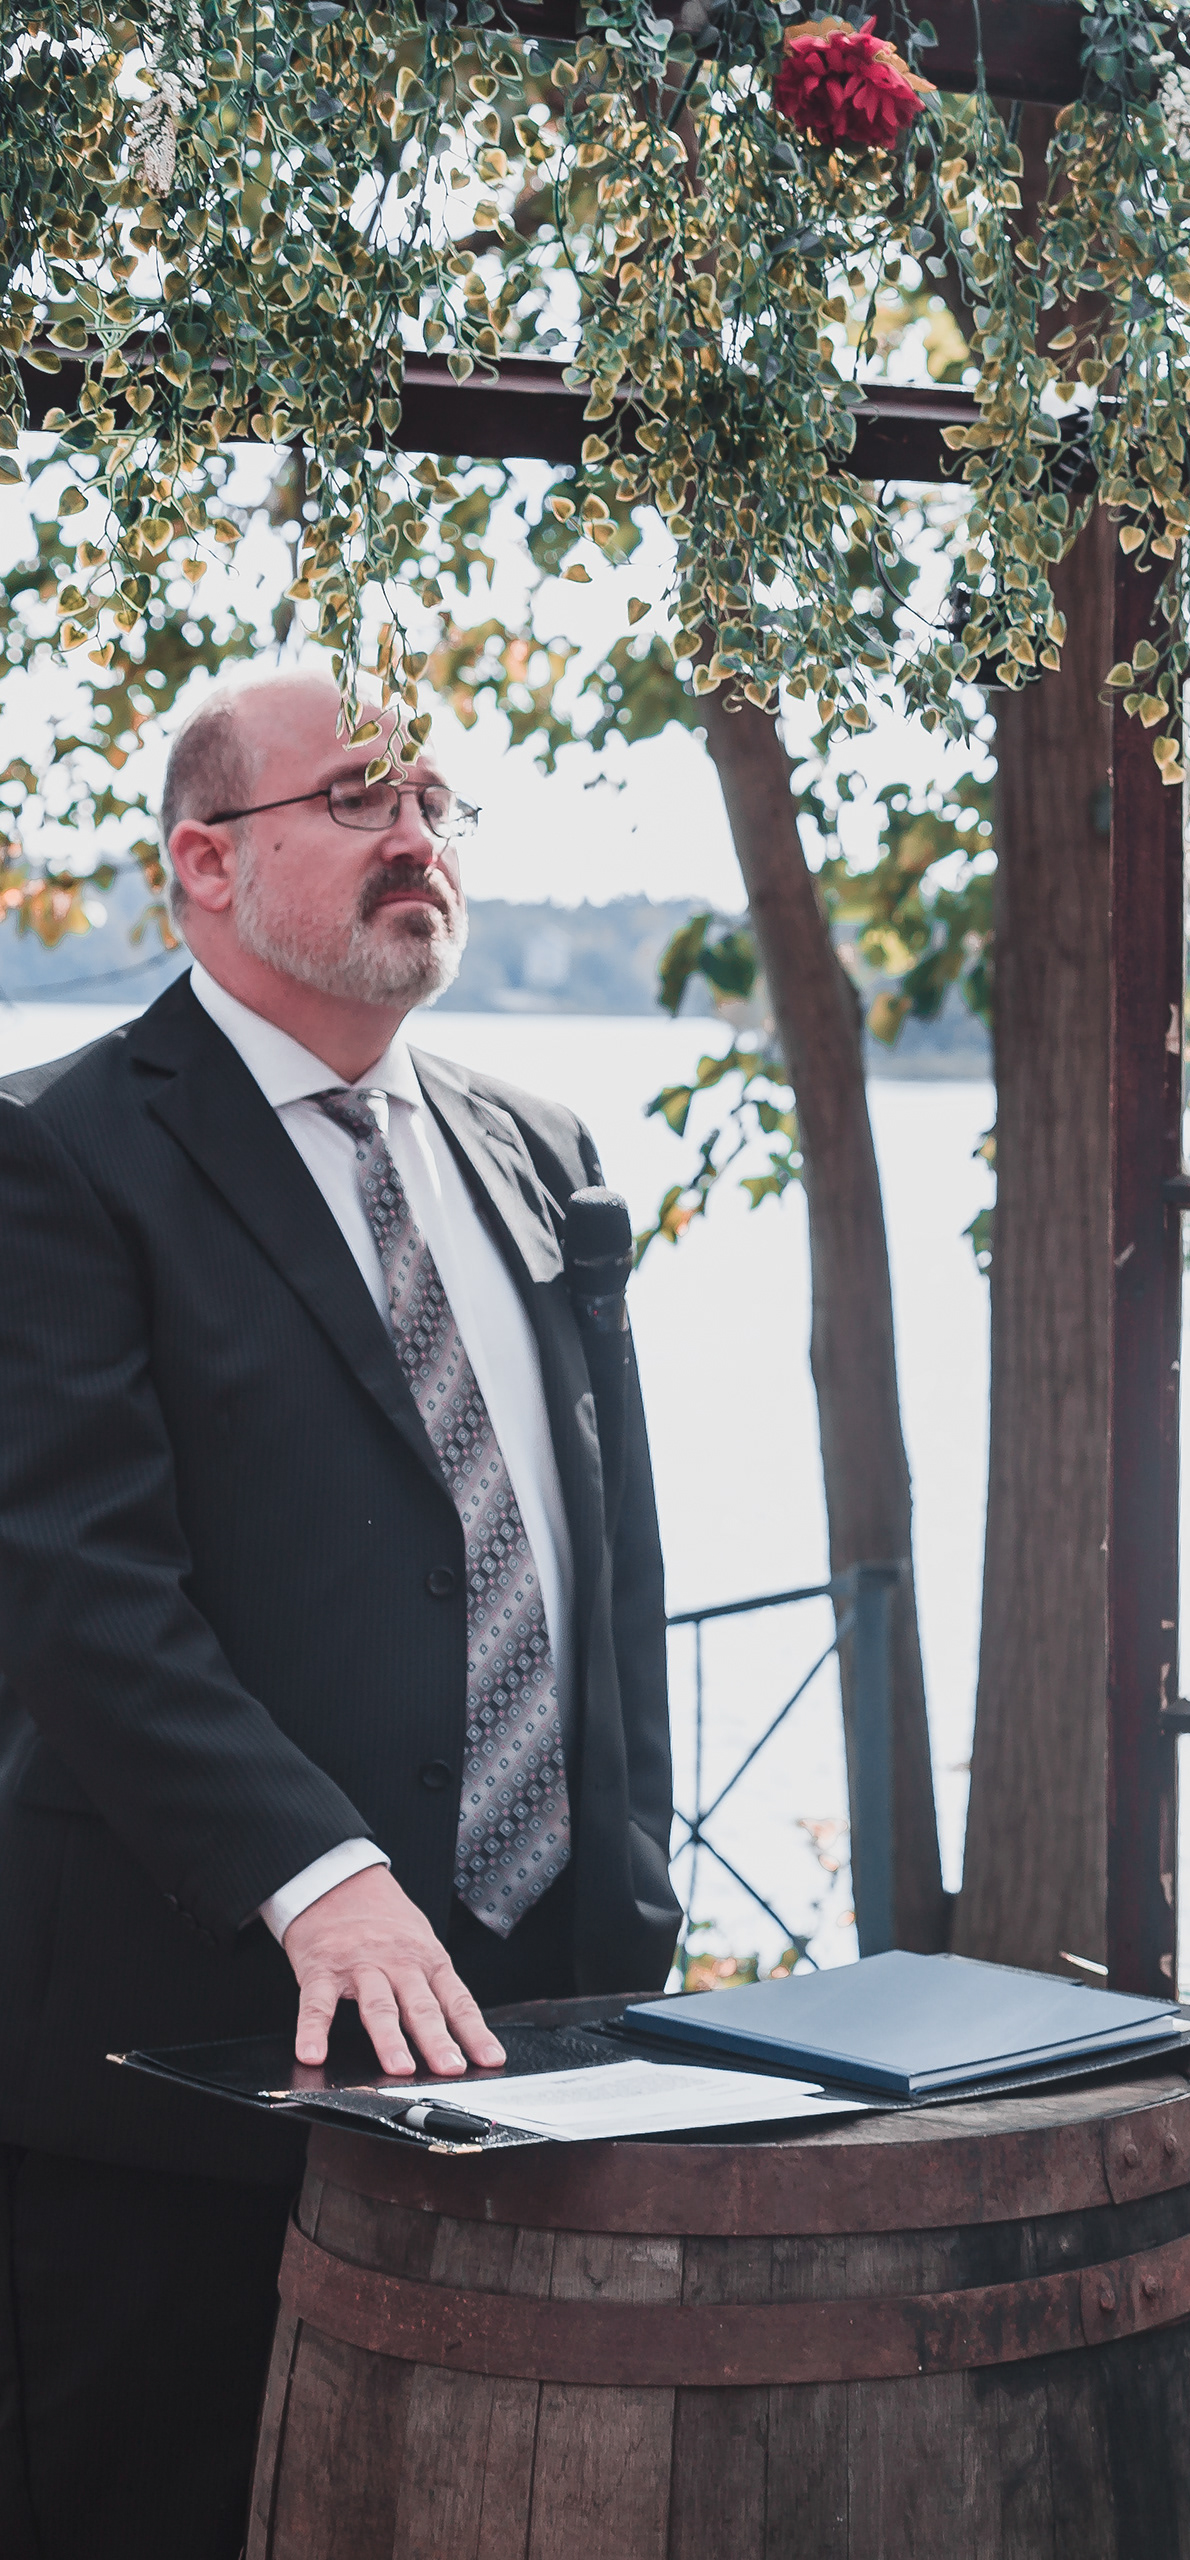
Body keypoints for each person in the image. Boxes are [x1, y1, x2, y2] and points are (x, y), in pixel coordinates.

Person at [0, 666, 678, 2558]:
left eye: (439, 803)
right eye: (363, 798)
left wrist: (632, 1891)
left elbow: (609, 1562)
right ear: (206, 863)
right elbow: (75, 1585)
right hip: (177, 2068)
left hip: (540, 2032)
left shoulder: (543, 1151)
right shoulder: (55, 1155)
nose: (418, 837)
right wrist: (319, 1875)